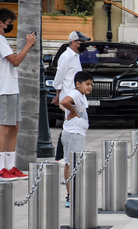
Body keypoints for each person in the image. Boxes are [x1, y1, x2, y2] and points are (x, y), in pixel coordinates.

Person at [0, 8, 36, 181]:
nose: (10, 25)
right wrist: (28, 44)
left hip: (12, 87)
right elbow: (15, 61)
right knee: (5, 127)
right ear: (1, 22)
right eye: (9, 23)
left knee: (14, 127)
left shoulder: (1, 38)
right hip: (5, 88)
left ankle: (10, 167)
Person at [52, 30, 90, 162]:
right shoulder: (66, 56)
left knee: (70, 124)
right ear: (74, 42)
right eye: (82, 42)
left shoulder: (75, 56)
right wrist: (58, 95)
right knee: (69, 124)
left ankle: (64, 155)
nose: (84, 44)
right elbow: (59, 77)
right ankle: (61, 156)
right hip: (68, 96)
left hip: (74, 96)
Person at [60, 71, 93, 208]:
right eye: (87, 84)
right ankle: (71, 195)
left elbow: (62, 104)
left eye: (91, 84)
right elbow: (64, 101)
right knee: (72, 164)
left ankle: (73, 193)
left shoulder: (80, 95)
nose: (90, 87)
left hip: (75, 132)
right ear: (78, 84)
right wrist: (73, 112)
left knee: (71, 163)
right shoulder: (75, 93)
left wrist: (69, 111)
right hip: (74, 134)